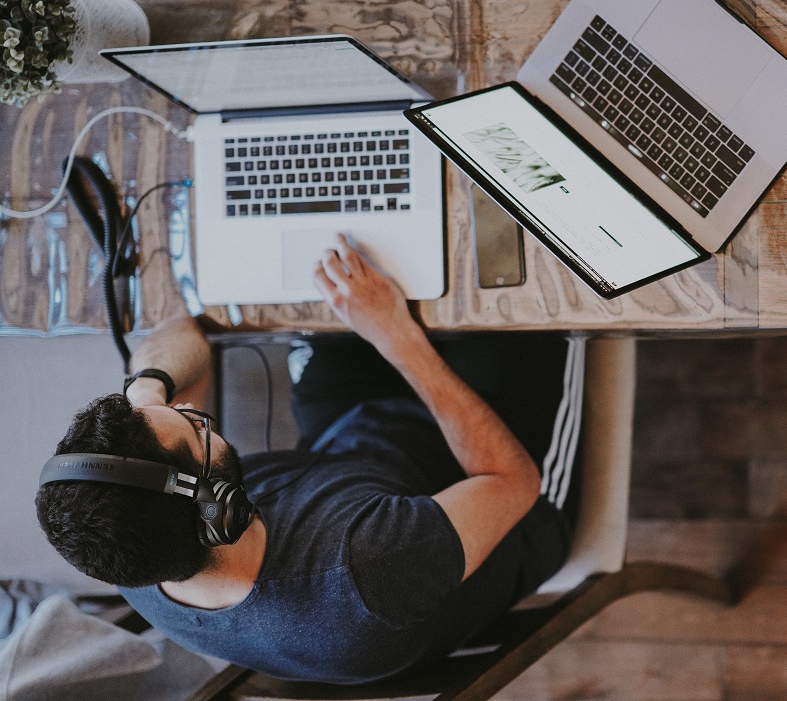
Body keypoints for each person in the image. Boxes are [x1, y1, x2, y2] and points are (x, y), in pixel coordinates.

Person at [35, 234, 580, 685]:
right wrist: (396, 337)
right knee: (522, 270)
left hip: (353, 449)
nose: (191, 408)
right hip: (495, 485)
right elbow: (511, 479)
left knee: (351, 254)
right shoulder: (365, 570)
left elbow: (179, 332)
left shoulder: (132, 549)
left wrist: (147, 392)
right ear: (216, 506)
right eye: (194, 426)